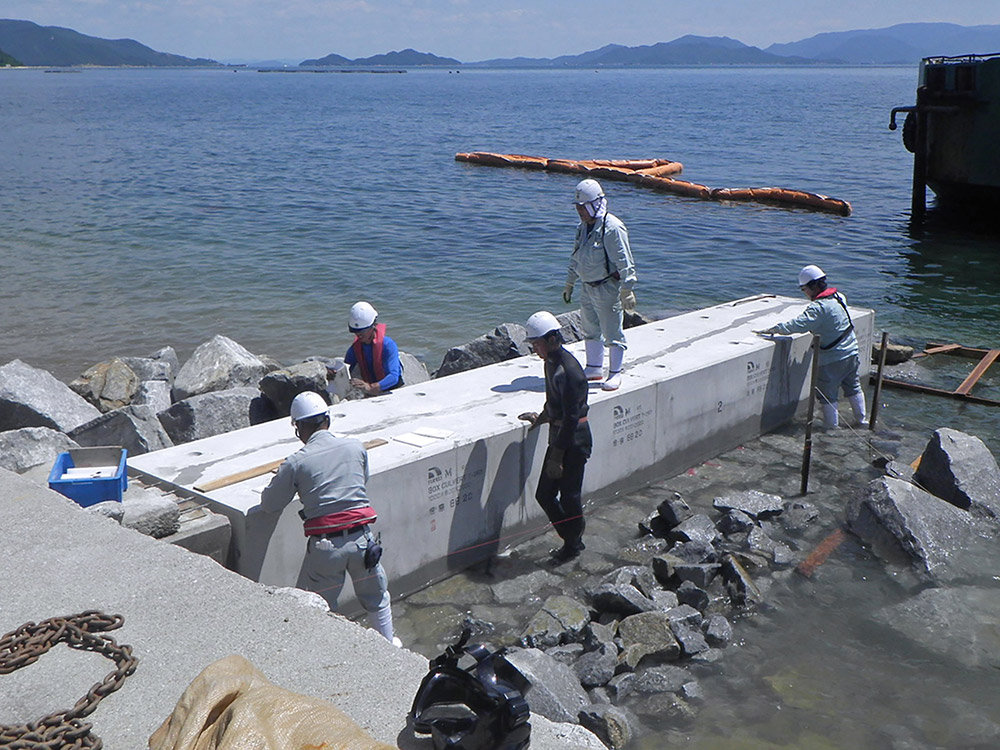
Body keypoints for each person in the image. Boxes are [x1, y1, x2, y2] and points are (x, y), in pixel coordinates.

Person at [256, 391, 399, 644]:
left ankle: (327, 657)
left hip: (326, 548)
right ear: (327, 421)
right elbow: (361, 482)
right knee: (377, 599)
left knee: (323, 608)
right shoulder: (356, 447)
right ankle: (390, 647)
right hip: (363, 542)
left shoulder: (296, 462)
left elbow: (269, 504)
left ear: (298, 427)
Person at [517, 311, 593, 564]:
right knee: (545, 495)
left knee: (570, 497)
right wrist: (540, 418)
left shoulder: (569, 370)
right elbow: (554, 402)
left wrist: (557, 457)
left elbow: (572, 417)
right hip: (560, 436)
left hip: (575, 439)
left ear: (551, 339)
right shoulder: (550, 363)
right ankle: (573, 539)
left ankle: (572, 544)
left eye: (537, 344)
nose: (535, 349)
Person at [757, 264, 867, 428]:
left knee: (828, 396)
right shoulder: (839, 297)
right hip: (851, 352)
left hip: (831, 359)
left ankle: (832, 430)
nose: (804, 293)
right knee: (853, 387)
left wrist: (776, 329)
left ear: (813, 286)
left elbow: (798, 325)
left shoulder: (818, 308)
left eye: (804, 289)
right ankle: (862, 421)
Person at [562, 178, 637, 391]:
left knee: (613, 331)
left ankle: (615, 373)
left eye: (583, 207)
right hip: (587, 286)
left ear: (595, 204)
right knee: (590, 328)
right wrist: (570, 283)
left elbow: (625, 260)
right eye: (577, 207)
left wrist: (627, 289)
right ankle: (594, 368)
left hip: (607, 288)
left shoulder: (612, 228)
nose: (580, 211)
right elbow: (576, 257)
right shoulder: (583, 228)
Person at [341, 301, 403, 396]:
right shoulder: (355, 349)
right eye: (355, 331)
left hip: (392, 389)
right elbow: (345, 368)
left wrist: (371, 387)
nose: (359, 335)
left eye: (362, 331)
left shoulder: (388, 345)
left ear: (373, 326)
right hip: (371, 390)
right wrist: (334, 373)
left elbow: (394, 376)